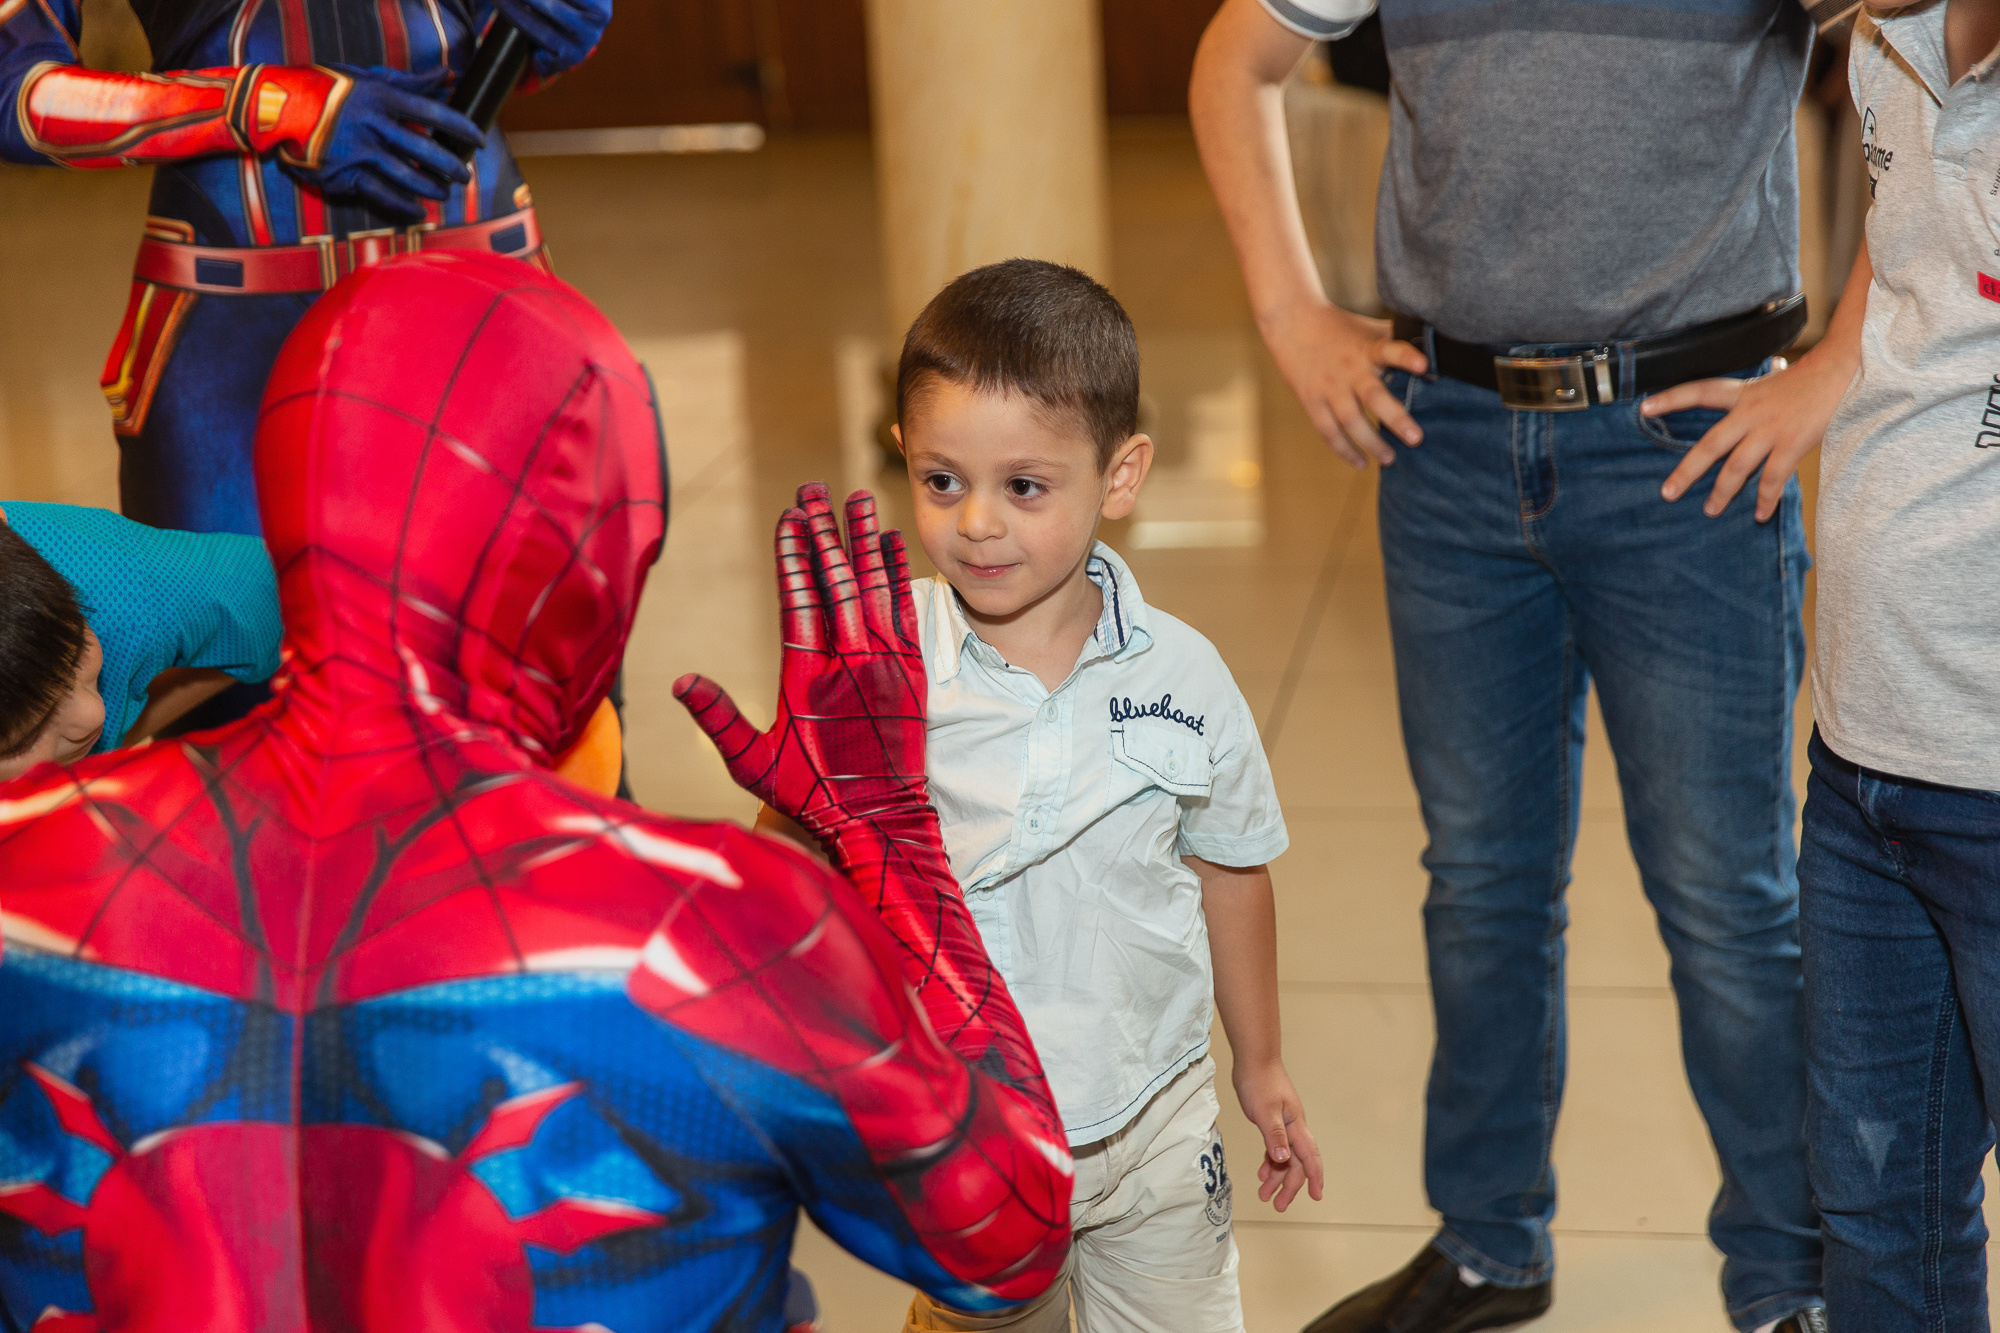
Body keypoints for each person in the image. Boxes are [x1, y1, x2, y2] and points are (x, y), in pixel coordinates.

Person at [0, 251, 1072, 1327]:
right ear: (593, 553)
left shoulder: (21, 858)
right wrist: (889, 836)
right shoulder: (710, 924)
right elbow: (1007, 1236)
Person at [1189, 2, 1826, 1330]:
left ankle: (1790, 1276)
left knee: (1726, 896)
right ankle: (1490, 1245)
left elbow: (1941, 68)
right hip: (1453, 443)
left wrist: (1846, 365)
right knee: (1482, 878)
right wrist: (1290, 310)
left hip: (1690, 447)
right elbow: (1234, 57)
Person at [750, 259, 1319, 1331]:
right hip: (974, 1131)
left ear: (1120, 475)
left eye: (1023, 486)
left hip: (1154, 1117)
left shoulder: (1182, 677)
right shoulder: (882, 665)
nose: (974, 524)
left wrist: (1262, 1059)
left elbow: (1231, 869)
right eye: (939, 480)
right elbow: (785, 851)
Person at [1651, 0, 2000, 1324]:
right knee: (1879, 1215)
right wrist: (1834, 357)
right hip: (1863, 765)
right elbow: (1919, 243)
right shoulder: (1888, 36)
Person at [0, 0, 608, 535]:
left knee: (526, 625)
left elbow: (478, 34)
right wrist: (270, 105)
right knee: (226, 637)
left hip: (472, 281)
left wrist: (550, 27)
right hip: (235, 320)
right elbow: (17, 92)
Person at [0, 501, 280, 780]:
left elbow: (285, 590)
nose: (94, 716)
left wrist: (229, 654)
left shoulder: (127, 587)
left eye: (75, 655)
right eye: (26, 740)